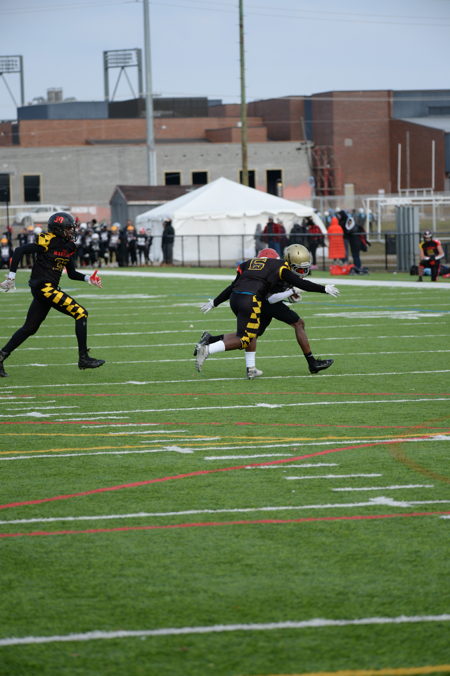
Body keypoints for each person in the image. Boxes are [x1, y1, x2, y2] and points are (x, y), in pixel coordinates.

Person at [194, 244, 340, 378]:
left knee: (252, 333)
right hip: (254, 300)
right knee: (247, 338)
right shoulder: (280, 266)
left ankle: (248, 366)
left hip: (238, 298)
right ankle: (208, 349)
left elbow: (232, 286)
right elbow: (293, 287)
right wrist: (323, 289)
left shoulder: (248, 264)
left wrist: (215, 302)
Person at [0, 212, 105, 377]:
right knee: (81, 313)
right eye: (69, 228)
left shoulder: (68, 246)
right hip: (44, 287)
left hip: (47, 289)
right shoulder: (48, 240)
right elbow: (20, 250)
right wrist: (11, 277)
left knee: (29, 328)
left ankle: (1, 356)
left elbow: (71, 273)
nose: (72, 231)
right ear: (58, 229)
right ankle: (83, 358)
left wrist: (88, 279)